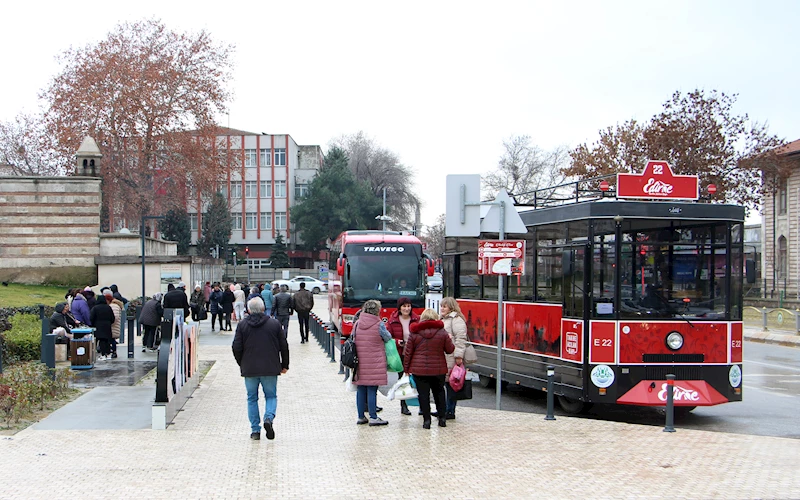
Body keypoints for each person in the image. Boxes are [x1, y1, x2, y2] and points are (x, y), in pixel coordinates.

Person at [232, 297, 289, 441]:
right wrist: (285, 365)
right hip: (270, 367)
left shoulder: (242, 325)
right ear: (263, 308)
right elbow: (284, 346)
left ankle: (255, 430)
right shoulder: (274, 324)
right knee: (271, 396)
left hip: (249, 368)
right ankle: (268, 418)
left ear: (249, 309)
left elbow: (236, 347)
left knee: (252, 398)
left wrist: (242, 363)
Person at [403, 308, 455, 429]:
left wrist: (406, 369)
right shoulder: (442, 332)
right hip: (438, 370)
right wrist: (450, 339)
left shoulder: (414, 333)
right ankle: (442, 419)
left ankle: (427, 421)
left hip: (419, 370)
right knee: (439, 393)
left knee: (423, 395)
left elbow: (408, 353)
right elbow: (450, 350)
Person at [353, 300, 392, 427]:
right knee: (372, 389)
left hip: (359, 361)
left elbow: (352, 338)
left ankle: (360, 417)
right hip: (375, 362)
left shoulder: (358, 323)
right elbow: (388, 338)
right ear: (377, 311)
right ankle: (373, 417)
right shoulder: (379, 324)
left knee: (361, 389)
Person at [386, 297, 420, 416]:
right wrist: (396, 342)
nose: (406, 309)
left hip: (415, 354)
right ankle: (404, 406)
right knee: (402, 380)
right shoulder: (392, 320)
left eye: (408, 306)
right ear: (399, 308)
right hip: (400, 354)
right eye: (404, 306)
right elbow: (387, 337)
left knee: (419, 379)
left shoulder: (417, 319)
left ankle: (421, 405)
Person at [440, 296, 468, 420]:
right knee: (446, 384)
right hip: (444, 356)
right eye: (441, 306)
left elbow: (460, 339)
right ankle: (445, 409)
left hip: (452, 357)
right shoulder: (443, 319)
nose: (442, 308)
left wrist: (458, 355)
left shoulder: (456, 320)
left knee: (452, 384)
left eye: (444, 306)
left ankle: (450, 410)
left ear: (451, 307)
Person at [90, 291, 116, 360]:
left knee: (101, 341)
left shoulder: (95, 308)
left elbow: (91, 318)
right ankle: (108, 354)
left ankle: (103, 354)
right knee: (107, 340)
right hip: (107, 326)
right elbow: (112, 318)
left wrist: (93, 324)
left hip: (98, 326)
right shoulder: (108, 307)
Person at [107, 290, 125, 359]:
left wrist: (110, 321)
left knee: (111, 339)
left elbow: (115, 317)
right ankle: (113, 352)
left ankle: (113, 352)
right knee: (112, 339)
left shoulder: (113, 306)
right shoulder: (116, 305)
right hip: (114, 325)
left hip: (113, 325)